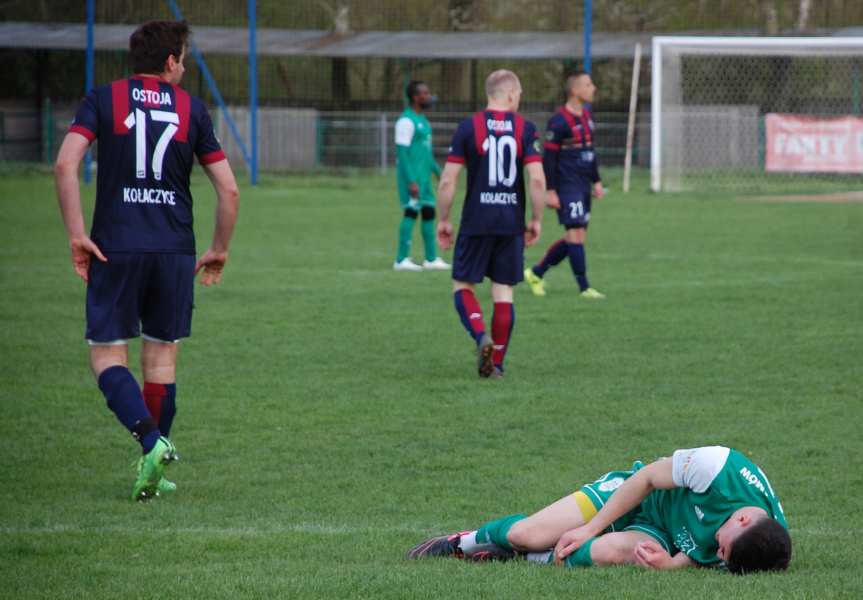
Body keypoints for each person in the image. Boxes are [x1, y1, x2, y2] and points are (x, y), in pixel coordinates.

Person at [54, 20, 240, 501]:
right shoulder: (192, 110)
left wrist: (77, 234)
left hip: (115, 244)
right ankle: (154, 458)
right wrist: (219, 248)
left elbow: (65, 163)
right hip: (175, 249)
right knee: (161, 358)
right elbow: (229, 189)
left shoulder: (104, 98)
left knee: (107, 356)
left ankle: (153, 445)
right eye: (183, 57)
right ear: (172, 62)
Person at [407, 446, 791, 574]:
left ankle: (516, 559)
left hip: (663, 533)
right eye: (722, 549)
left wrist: (672, 563)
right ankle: (465, 541)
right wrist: (591, 526)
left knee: (608, 553)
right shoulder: (718, 466)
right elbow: (647, 480)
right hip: (633, 493)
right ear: (742, 517)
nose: (718, 554)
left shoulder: (760, 544)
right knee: (528, 534)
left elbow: (709, 556)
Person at [436, 70, 546, 378]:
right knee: (504, 292)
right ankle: (496, 363)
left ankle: (479, 334)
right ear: (510, 94)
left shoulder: (468, 127)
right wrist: (535, 219)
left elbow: (448, 180)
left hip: (476, 221)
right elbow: (537, 180)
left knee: (462, 284)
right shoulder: (526, 129)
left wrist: (443, 219)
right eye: (520, 94)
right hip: (510, 223)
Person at [525, 73, 605, 299]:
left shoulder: (588, 116)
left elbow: (590, 152)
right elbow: (548, 159)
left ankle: (536, 272)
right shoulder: (559, 121)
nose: (593, 88)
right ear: (575, 91)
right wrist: (550, 191)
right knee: (575, 235)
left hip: (583, 185)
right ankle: (584, 287)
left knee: (577, 237)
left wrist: (597, 181)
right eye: (588, 84)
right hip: (567, 186)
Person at [393, 81, 450, 271]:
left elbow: (427, 153)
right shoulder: (406, 121)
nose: (429, 96)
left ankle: (431, 259)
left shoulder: (424, 121)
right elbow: (402, 153)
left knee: (428, 213)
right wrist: (411, 181)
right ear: (416, 97)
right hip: (412, 179)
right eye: (425, 93)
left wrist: (439, 173)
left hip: (424, 178)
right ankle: (401, 260)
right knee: (411, 212)